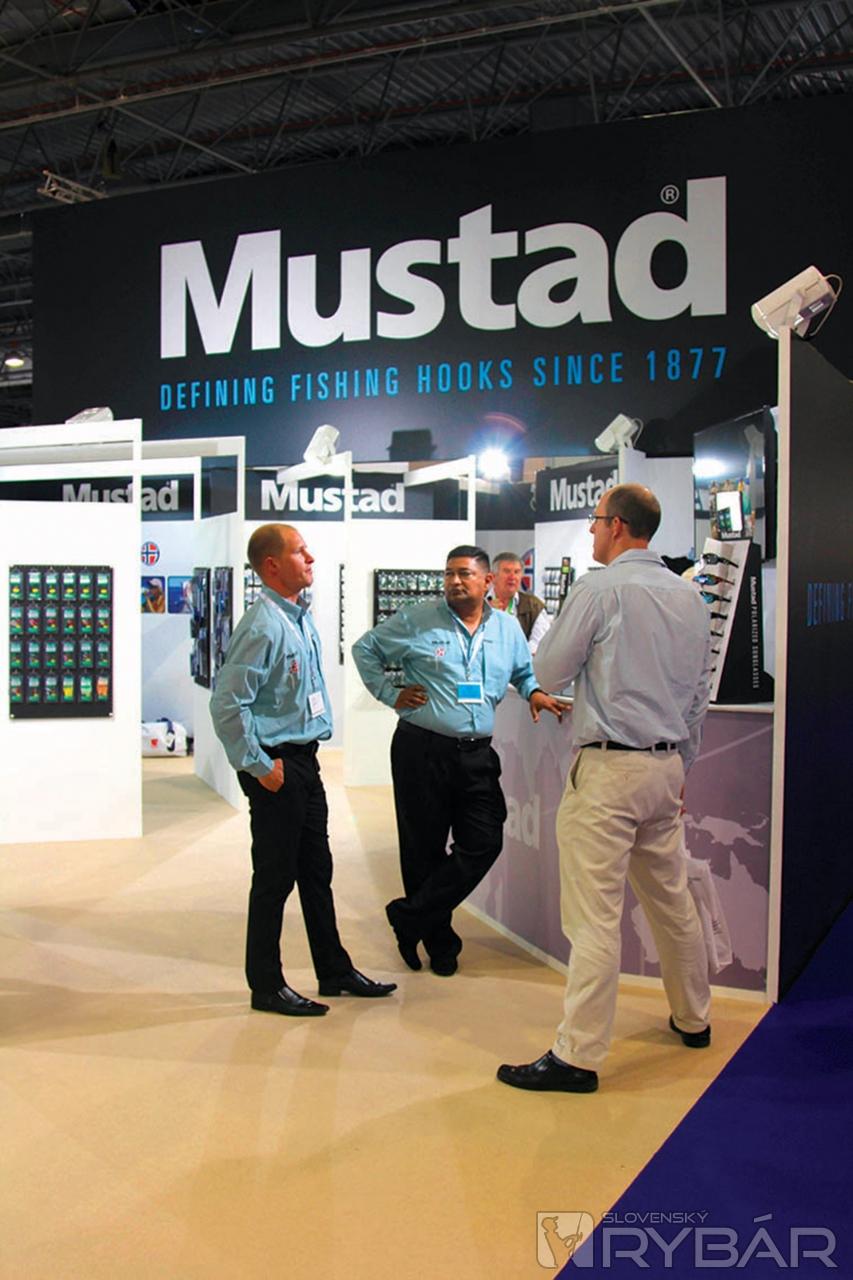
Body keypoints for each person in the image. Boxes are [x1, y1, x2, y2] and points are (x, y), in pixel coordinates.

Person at [497, 484, 712, 1093]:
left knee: (593, 919)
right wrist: (682, 767)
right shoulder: (690, 596)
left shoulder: (598, 589)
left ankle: (578, 1055)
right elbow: (699, 697)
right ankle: (694, 1017)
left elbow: (547, 670)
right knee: (671, 901)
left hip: (609, 771)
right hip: (664, 770)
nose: (591, 532)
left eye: (595, 521)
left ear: (616, 525)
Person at [210, 523, 396, 1016]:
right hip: (278, 766)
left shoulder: (298, 617)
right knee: (274, 879)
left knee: (317, 871)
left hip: (305, 762)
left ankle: (333, 969)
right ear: (272, 565)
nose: (311, 558)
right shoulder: (263, 625)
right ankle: (266, 985)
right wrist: (259, 766)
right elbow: (227, 704)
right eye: (300, 552)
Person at [352, 545, 565, 976]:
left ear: (487, 581)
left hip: (476, 752)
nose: (454, 581)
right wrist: (390, 694)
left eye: (465, 573)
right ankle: (441, 945)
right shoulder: (418, 619)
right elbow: (365, 649)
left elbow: (522, 672)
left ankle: (409, 916)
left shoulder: (507, 628)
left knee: (485, 840)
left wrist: (534, 692)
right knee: (422, 848)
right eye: (449, 573)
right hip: (421, 748)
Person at [489, 551, 551, 653]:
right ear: (493, 577)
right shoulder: (479, 603)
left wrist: (514, 656)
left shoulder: (534, 606)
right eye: (507, 571)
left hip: (520, 661)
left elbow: (539, 643)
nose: (512, 577)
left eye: (517, 572)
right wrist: (485, 614)